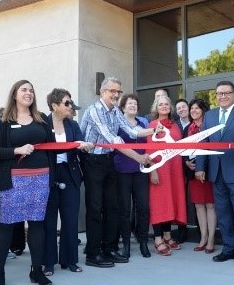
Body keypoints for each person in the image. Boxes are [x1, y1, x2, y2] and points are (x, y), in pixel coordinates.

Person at [80, 77, 157, 268]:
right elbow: (113, 139)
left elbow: (131, 131)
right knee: (95, 209)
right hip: (92, 162)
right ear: (102, 91)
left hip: (108, 161)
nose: (116, 95)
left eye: (118, 92)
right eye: (112, 91)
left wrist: (154, 130)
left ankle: (109, 249)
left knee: (112, 208)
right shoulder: (94, 111)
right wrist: (138, 158)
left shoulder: (115, 111)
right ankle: (93, 254)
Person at [0, 80, 54, 285]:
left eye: (31, 90)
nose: (29, 93)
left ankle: (36, 271)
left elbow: (52, 146)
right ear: (15, 94)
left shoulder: (42, 119)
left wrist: (77, 145)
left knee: (36, 224)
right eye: (24, 90)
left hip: (40, 179)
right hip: (14, 181)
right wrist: (16, 150)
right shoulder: (4, 121)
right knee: (6, 225)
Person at [195, 81, 234, 269]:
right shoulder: (210, 115)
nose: (222, 96)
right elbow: (203, 143)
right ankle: (229, 249)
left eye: (226, 93)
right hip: (216, 173)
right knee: (223, 215)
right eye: (219, 94)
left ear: (233, 94)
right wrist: (200, 167)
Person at [42, 88, 93, 276]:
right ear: (54, 105)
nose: (70, 106)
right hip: (49, 175)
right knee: (49, 221)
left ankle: (69, 260)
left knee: (70, 220)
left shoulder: (72, 125)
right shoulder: (43, 124)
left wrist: (84, 147)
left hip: (70, 175)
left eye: (70, 102)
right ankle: (48, 263)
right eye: (66, 103)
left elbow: (79, 145)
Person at [147, 95, 187, 256]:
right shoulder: (152, 125)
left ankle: (167, 235)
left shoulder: (175, 126)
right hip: (160, 169)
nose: (164, 107)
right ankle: (157, 239)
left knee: (170, 201)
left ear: (170, 108)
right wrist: (153, 171)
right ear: (156, 108)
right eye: (160, 104)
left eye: (166, 104)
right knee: (159, 203)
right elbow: (149, 151)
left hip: (174, 170)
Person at [114, 94, 150, 258]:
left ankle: (143, 242)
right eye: (130, 103)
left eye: (135, 103)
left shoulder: (144, 122)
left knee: (142, 207)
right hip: (122, 170)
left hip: (141, 169)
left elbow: (150, 143)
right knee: (124, 209)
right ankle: (126, 243)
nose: (133, 106)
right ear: (123, 106)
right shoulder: (117, 123)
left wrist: (148, 157)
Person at [184, 99, 216, 253]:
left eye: (197, 108)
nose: (194, 111)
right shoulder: (187, 129)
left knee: (210, 205)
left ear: (204, 110)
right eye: (192, 108)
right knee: (198, 205)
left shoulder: (209, 126)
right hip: (193, 172)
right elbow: (181, 149)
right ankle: (203, 237)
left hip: (209, 171)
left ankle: (211, 239)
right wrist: (186, 163)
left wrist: (203, 166)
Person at [175, 98, 190, 243]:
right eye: (178, 108)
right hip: (179, 167)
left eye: (183, 107)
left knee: (200, 201)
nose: (181, 109)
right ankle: (182, 231)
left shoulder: (195, 122)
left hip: (194, 166)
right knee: (182, 199)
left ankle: (200, 230)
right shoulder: (174, 125)